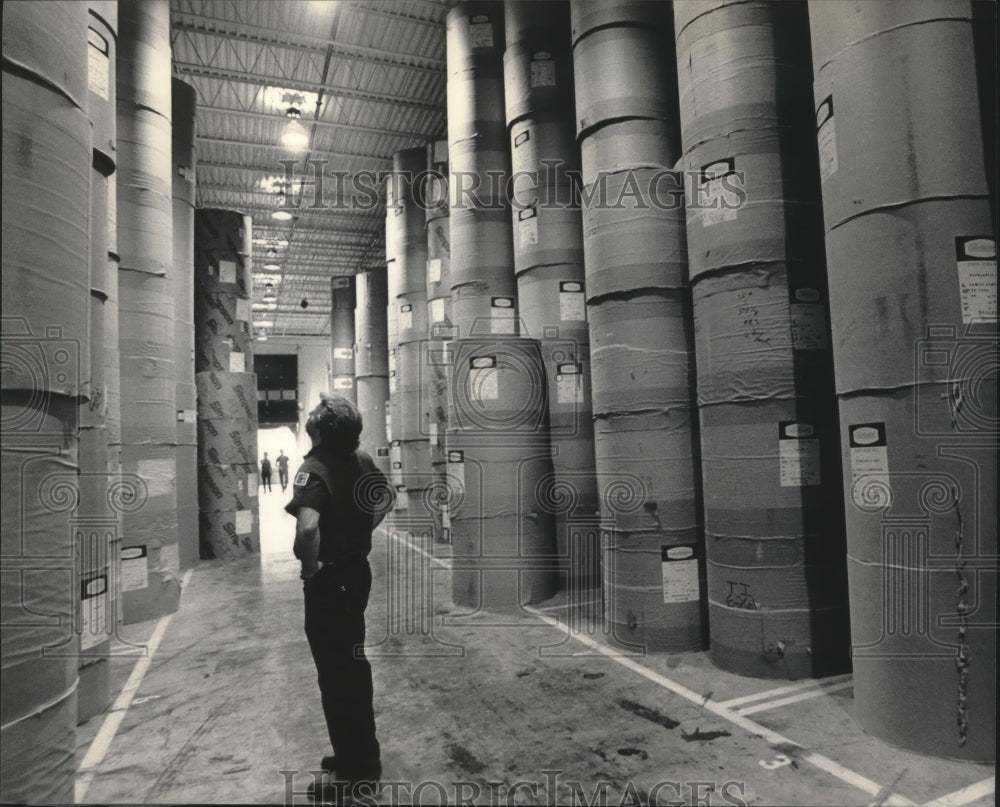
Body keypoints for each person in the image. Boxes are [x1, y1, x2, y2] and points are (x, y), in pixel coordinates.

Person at [284, 394, 393, 802]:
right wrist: (362, 530)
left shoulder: (314, 469)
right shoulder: (361, 459)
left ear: (318, 429)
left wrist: (311, 568)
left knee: (336, 674)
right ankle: (357, 753)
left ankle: (356, 772)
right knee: (351, 665)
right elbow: (385, 498)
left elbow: (308, 530)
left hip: (330, 580)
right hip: (357, 574)